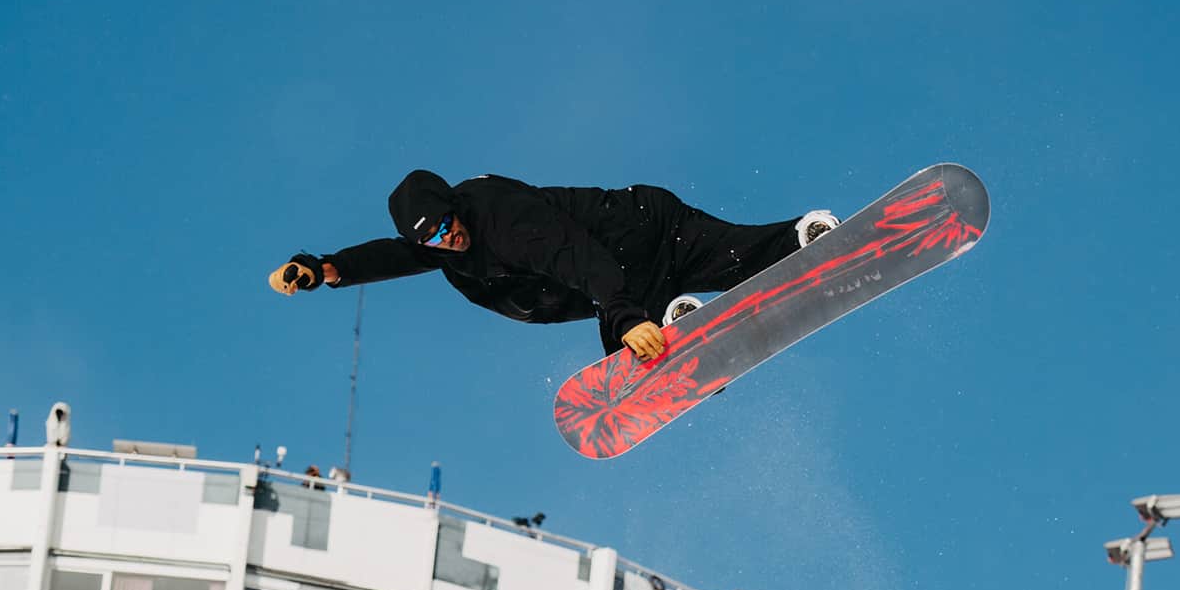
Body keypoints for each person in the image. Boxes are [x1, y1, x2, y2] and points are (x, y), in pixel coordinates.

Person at [270, 169, 839, 364]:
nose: (448, 240)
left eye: (446, 225)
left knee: (633, 360)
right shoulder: (437, 245)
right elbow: (393, 253)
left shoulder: (504, 221)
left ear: (454, 206)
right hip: (647, 220)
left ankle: (668, 323)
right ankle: (804, 239)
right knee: (739, 257)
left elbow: (574, 256)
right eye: (433, 239)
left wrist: (624, 317)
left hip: (625, 248)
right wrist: (324, 268)